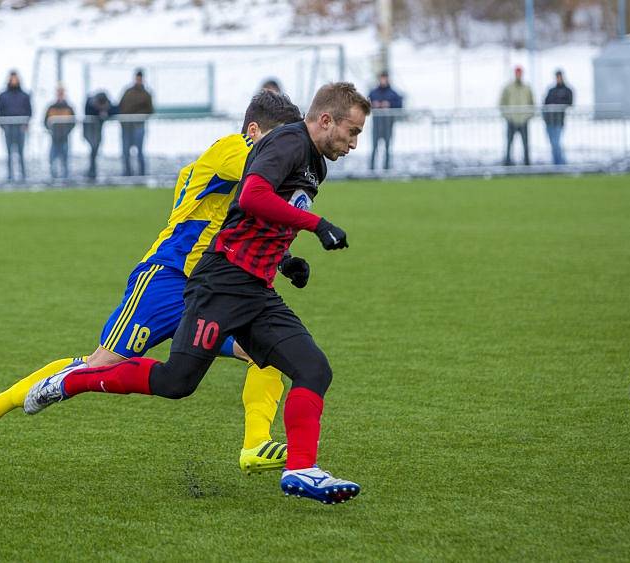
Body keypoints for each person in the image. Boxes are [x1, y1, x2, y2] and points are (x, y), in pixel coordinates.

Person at [20, 82, 371, 505]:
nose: (354, 143)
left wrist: (285, 257)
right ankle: (74, 382)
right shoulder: (289, 142)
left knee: (314, 369)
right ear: (326, 120)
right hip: (220, 284)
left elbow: (260, 217)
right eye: (352, 132)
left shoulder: (315, 163)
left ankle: (301, 470)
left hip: (256, 291)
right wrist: (316, 225)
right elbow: (253, 194)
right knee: (176, 382)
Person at [0, 90, 304, 477]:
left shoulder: (247, 172)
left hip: (213, 286)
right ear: (253, 131)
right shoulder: (230, 149)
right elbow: (266, 180)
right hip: (166, 279)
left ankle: (255, 443)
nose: (288, 149)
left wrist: (283, 260)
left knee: (265, 352)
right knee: (101, 363)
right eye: (281, 140)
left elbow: (237, 224)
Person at [0, 71, 32, 182]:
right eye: (12, 79)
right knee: (9, 153)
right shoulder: (3, 95)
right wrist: (3, 125)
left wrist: (26, 124)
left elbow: (29, 111)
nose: (14, 81)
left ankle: (23, 175)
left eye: (15, 79)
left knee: (21, 152)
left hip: (20, 127)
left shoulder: (24, 95)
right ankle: (10, 175)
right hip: (8, 128)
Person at [118, 69, 154, 176]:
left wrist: (138, 115)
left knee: (140, 151)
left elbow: (150, 110)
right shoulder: (128, 91)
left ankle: (141, 174)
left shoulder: (146, 94)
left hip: (139, 125)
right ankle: (127, 173)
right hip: (126, 126)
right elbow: (121, 106)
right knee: (125, 152)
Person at [368, 71, 403, 170]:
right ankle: (371, 168)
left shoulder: (393, 93)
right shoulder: (373, 92)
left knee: (387, 148)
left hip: (388, 124)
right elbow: (365, 102)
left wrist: (389, 104)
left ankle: (387, 168)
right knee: (374, 147)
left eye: (385, 78)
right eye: (382, 78)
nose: (383, 80)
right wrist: (373, 104)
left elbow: (400, 104)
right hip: (376, 124)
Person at [499, 66, 534, 166]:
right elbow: (502, 102)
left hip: (523, 120)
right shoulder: (508, 87)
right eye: (517, 73)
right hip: (512, 120)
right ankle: (508, 163)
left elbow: (532, 102)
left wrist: (528, 115)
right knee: (509, 143)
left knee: (526, 144)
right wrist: (507, 116)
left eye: (520, 73)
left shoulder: (527, 88)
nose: (518, 75)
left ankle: (527, 163)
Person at [44, 85, 76, 179]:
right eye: (59, 92)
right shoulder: (51, 107)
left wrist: (67, 131)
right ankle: (53, 177)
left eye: (62, 93)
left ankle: (65, 178)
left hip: (64, 137)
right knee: (52, 158)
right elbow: (45, 121)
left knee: (65, 159)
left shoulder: (69, 108)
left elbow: (73, 122)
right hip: (54, 138)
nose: (60, 95)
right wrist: (51, 130)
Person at [543, 70, 573, 166]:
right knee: (553, 144)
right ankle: (556, 163)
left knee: (556, 143)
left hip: (559, 121)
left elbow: (570, 102)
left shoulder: (567, 90)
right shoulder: (551, 90)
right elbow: (545, 103)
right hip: (549, 121)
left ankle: (560, 163)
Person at [83, 91, 116, 180]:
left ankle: (92, 171)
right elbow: (89, 111)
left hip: (97, 131)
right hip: (89, 130)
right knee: (93, 148)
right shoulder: (90, 103)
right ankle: (91, 172)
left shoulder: (107, 104)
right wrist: (100, 111)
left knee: (95, 150)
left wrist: (105, 111)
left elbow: (114, 110)